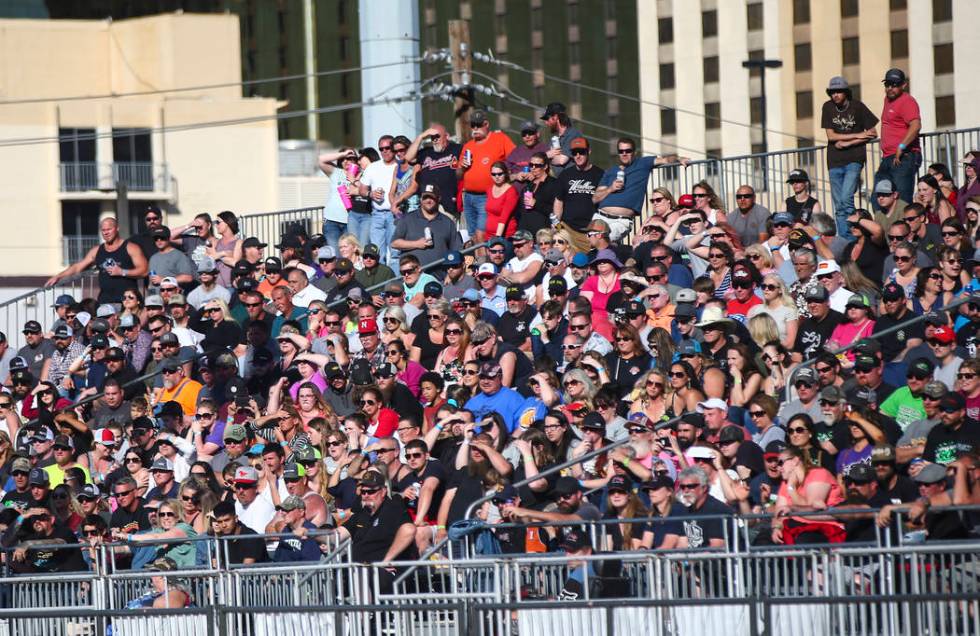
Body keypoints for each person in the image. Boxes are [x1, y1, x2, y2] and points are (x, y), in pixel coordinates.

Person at [591, 137, 687, 241]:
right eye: (621, 151)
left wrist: (679, 159)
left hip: (621, 220)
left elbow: (666, 159)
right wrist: (610, 188)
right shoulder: (611, 171)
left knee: (602, 240)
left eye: (628, 151)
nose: (624, 153)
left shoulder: (643, 163)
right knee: (590, 244)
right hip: (600, 216)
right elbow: (595, 198)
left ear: (634, 152)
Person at [820, 76, 879, 237]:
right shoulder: (827, 107)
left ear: (846, 92)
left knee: (846, 198)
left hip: (854, 159)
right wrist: (860, 135)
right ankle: (846, 238)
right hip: (834, 161)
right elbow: (831, 136)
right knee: (838, 205)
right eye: (832, 92)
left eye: (839, 91)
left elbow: (873, 133)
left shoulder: (857, 107)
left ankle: (854, 235)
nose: (835, 95)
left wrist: (847, 143)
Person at [45, 216, 148, 304]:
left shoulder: (130, 247)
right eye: (103, 230)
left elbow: (144, 271)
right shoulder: (97, 250)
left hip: (126, 302)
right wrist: (58, 276)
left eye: (109, 229)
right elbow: (78, 267)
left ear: (117, 228)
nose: (106, 233)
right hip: (105, 302)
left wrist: (122, 272)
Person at [457, 110, 516, 245]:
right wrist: (462, 167)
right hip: (468, 196)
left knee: (481, 233)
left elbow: (515, 158)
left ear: (486, 124)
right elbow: (458, 174)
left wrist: (508, 179)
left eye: (479, 125)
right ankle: (478, 264)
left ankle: (486, 263)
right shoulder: (468, 146)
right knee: (472, 235)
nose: (476, 129)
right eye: (473, 126)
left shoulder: (499, 138)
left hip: (487, 196)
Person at [874, 68, 922, 208]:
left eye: (894, 85)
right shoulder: (887, 100)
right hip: (888, 157)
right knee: (877, 199)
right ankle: (887, 229)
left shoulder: (907, 101)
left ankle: (904, 228)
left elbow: (916, 125)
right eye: (887, 84)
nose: (890, 88)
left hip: (904, 156)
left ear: (903, 85)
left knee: (902, 200)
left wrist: (901, 147)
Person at [390, 184, 463, 274]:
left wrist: (450, 274)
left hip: (440, 276)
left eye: (432, 198)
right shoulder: (408, 219)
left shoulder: (447, 222)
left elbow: (456, 250)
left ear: (438, 199)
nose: (428, 200)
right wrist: (417, 244)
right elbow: (394, 243)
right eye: (425, 197)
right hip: (413, 276)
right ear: (420, 199)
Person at [359, 134, 399, 265]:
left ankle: (395, 283)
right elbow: (362, 190)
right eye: (381, 149)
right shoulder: (373, 167)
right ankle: (381, 285)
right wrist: (371, 194)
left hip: (395, 214)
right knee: (377, 254)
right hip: (377, 214)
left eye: (388, 148)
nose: (385, 151)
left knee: (395, 253)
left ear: (394, 148)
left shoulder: (399, 166)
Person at [485, 161, 519, 238]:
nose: (497, 176)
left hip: (503, 235)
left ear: (505, 174)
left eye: (500, 174)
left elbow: (504, 217)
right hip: (489, 234)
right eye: (493, 174)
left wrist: (497, 238)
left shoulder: (511, 191)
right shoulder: (489, 189)